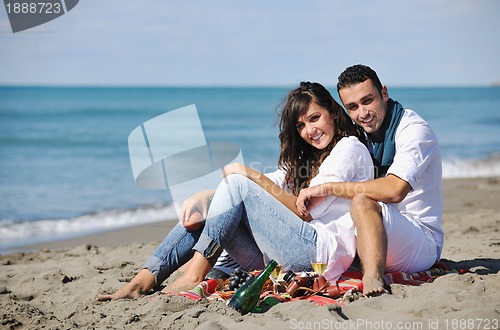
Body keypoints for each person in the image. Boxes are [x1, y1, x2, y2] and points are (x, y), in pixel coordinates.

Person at [97, 82, 373, 300]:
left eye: (315, 118)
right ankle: (143, 279)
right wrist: (209, 196)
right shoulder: (311, 158)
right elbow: (272, 183)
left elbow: (305, 213)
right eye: (300, 125)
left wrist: (246, 174)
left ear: (332, 112)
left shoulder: (349, 148)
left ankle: (194, 273)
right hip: (278, 257)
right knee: (214, 202)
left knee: (238, 183)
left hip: (316, 255)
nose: (309, 130)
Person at [296, 65, 444, 296]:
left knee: (361, 201)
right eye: (352, 107)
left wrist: (327, 187)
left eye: (368, 101)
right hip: (377, 231)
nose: (362, 113)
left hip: (419, 241)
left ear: (384, 93)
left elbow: (395, 190)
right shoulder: (361, 134)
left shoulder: (413, 131)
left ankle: (372, 278)